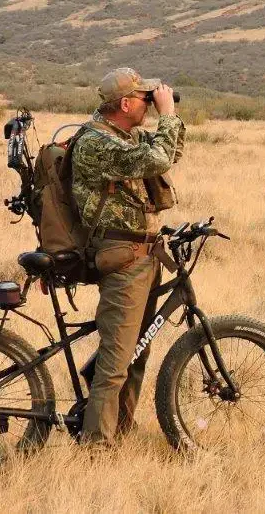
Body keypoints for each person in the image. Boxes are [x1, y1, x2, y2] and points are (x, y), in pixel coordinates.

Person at [71, 67, 185, 446]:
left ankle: (119, 429)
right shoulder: (96, 143)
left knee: (137, 350)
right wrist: (167, 115)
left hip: (143, 254)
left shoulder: (126, 136)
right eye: (143, 98)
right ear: (124, 103)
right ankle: (97, 446)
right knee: (117, 359)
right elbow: (155, 160)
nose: (148, 105)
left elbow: (168, 153)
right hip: (123, 256)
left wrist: (168, 118)